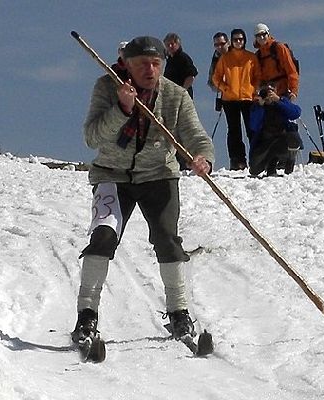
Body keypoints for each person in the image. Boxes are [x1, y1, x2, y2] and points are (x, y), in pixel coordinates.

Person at [74, 36, 217, 346]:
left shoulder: (175, 95)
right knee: (103, 238)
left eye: (156, 64)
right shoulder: (106, 87)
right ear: (126, 64)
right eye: (142, 64)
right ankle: (87, 315)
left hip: (159, 175)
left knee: (167, 237)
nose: (150, 70)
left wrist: (202, 157)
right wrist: (123, 109)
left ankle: (179, 312)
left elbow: (196, 136)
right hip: (112, 175)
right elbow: (92, 138)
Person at [209, 28, 258, 171]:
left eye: (240, 39)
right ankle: (238, 161)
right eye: (236, 39)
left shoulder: (251, 57)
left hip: (248, 98)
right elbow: (216, 77)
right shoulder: (224, 58)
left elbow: (258, 76)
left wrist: (254, 90)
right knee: (234, 131)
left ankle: (256, 158)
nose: (238, 42)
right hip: (230, 99)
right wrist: (225, 88)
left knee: (252, 130)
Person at [245, 86, 301, 177]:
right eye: (264, 94)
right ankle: (269, 165)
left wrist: (279, 100)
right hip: (265, 142)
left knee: (293, 137)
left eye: (270, 93)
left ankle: (289, 160)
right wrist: (260, 106)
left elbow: (296, 113)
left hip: (282, 140)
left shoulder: (281, 103)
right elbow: (253, 126)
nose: (267, 97)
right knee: (254, 170)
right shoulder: (258, 107)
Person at [252, 23, 300, 100]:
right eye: (258, 36)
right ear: (256, 38)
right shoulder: (258, 55)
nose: (261, 37)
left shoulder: (279, 48)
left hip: (283, 92)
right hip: (268, 95)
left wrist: (293, 91)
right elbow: (258, 78)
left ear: (268, 34)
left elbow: (291, 70)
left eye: (263, 34)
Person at [162, 33, 199, 98]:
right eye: (168, 45)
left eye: (172, 44)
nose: (170, 46)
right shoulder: (170, 60)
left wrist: (182, 91)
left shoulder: (183, 57)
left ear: (178, 44)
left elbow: (191, 75)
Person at [208, 32, 226, 108]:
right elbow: (211, 78)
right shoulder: (216, 58)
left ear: (227, 43)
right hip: (225, 94)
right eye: (216, 45)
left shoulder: (235, 54)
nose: (219, 47)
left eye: (222, 44)